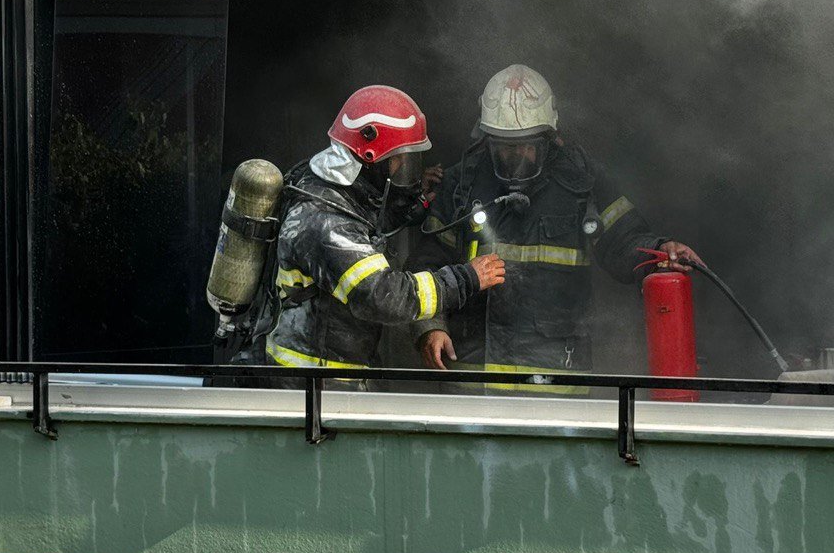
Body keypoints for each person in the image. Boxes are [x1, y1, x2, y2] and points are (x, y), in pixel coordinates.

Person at [408, 65, 703, 395]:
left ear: (548, 139)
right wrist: (429, 327)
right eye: (504, 147)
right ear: (486, 139)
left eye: (526, 146)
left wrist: (661, 251)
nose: (515, 157)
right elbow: (426, 263)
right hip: (473, 382)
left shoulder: (581, 184)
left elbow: (624, 240)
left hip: (557, 389)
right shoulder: (460, 185)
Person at [262, 85, 505, 383]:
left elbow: (363, 230)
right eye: (399, 159)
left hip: (332, 377)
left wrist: (403, 205)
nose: (406, 167)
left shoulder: (336, 192)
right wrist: (465, 279)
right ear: (370, 158)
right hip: (312, 386)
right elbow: (382, 296)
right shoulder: (325, 220)